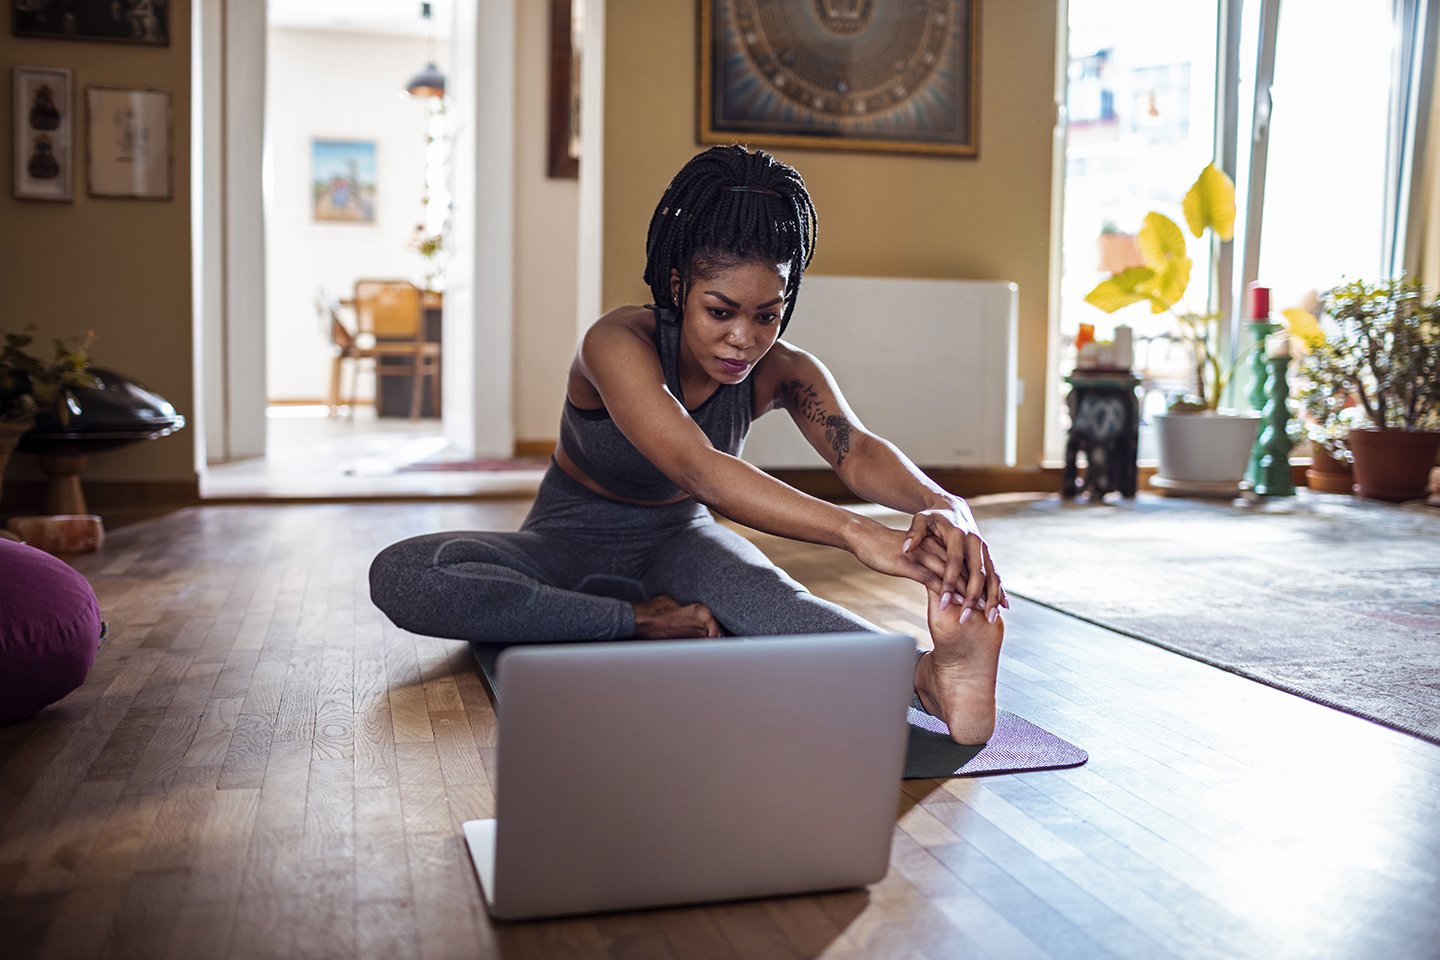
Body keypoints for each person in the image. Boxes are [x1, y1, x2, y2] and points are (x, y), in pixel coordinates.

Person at [370, 145, 1006, 743]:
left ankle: (929, 679)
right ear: (678, 287)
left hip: (678, 545)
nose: (744, 339)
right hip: (563, 543)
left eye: (767, 314)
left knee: (771, 599)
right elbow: (698, 466)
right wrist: (858, 533)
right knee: (406, 574)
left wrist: (943, 502)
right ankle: (637, 620)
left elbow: (856, 450)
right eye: (721, 311)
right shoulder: (617, 344)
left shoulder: (785, 371)